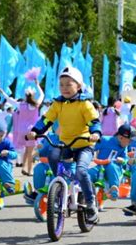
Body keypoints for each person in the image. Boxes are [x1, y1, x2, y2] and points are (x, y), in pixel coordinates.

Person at [27, 66, 101, 223]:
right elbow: (47, 119)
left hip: (84, 144)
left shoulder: (84, 104)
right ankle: (60, 187)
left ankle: (90, 203)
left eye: (69, 84)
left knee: (81, 171)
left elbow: (94, 121)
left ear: (79, 86)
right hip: (65, 143)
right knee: (52, 156)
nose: (64, 88)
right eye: (61, 85)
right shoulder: (58, 103)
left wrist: (95, 133)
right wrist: (35, 131)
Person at [0, 78, 44, 176]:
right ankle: (30, 170)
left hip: (21, 130)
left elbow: (9, 100)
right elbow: (42, 95)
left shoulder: (20, 105)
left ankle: (23, 168)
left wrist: (2, 92)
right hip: (31, 130)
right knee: (30, 151)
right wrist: (37, 84)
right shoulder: (36, 105)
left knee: (26, 149)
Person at [89, 124, 131, 201]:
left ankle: (114, 189)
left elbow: (126, 160)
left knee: (111, 166)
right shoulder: (105, 140)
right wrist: (88, 156)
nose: (129, 143)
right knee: (88, 174)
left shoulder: (124, 147)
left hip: (115, 170)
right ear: (121, 137)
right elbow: (91, 149)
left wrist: (123, 161)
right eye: (129, 140)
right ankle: (85, 195)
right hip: (100, 167)